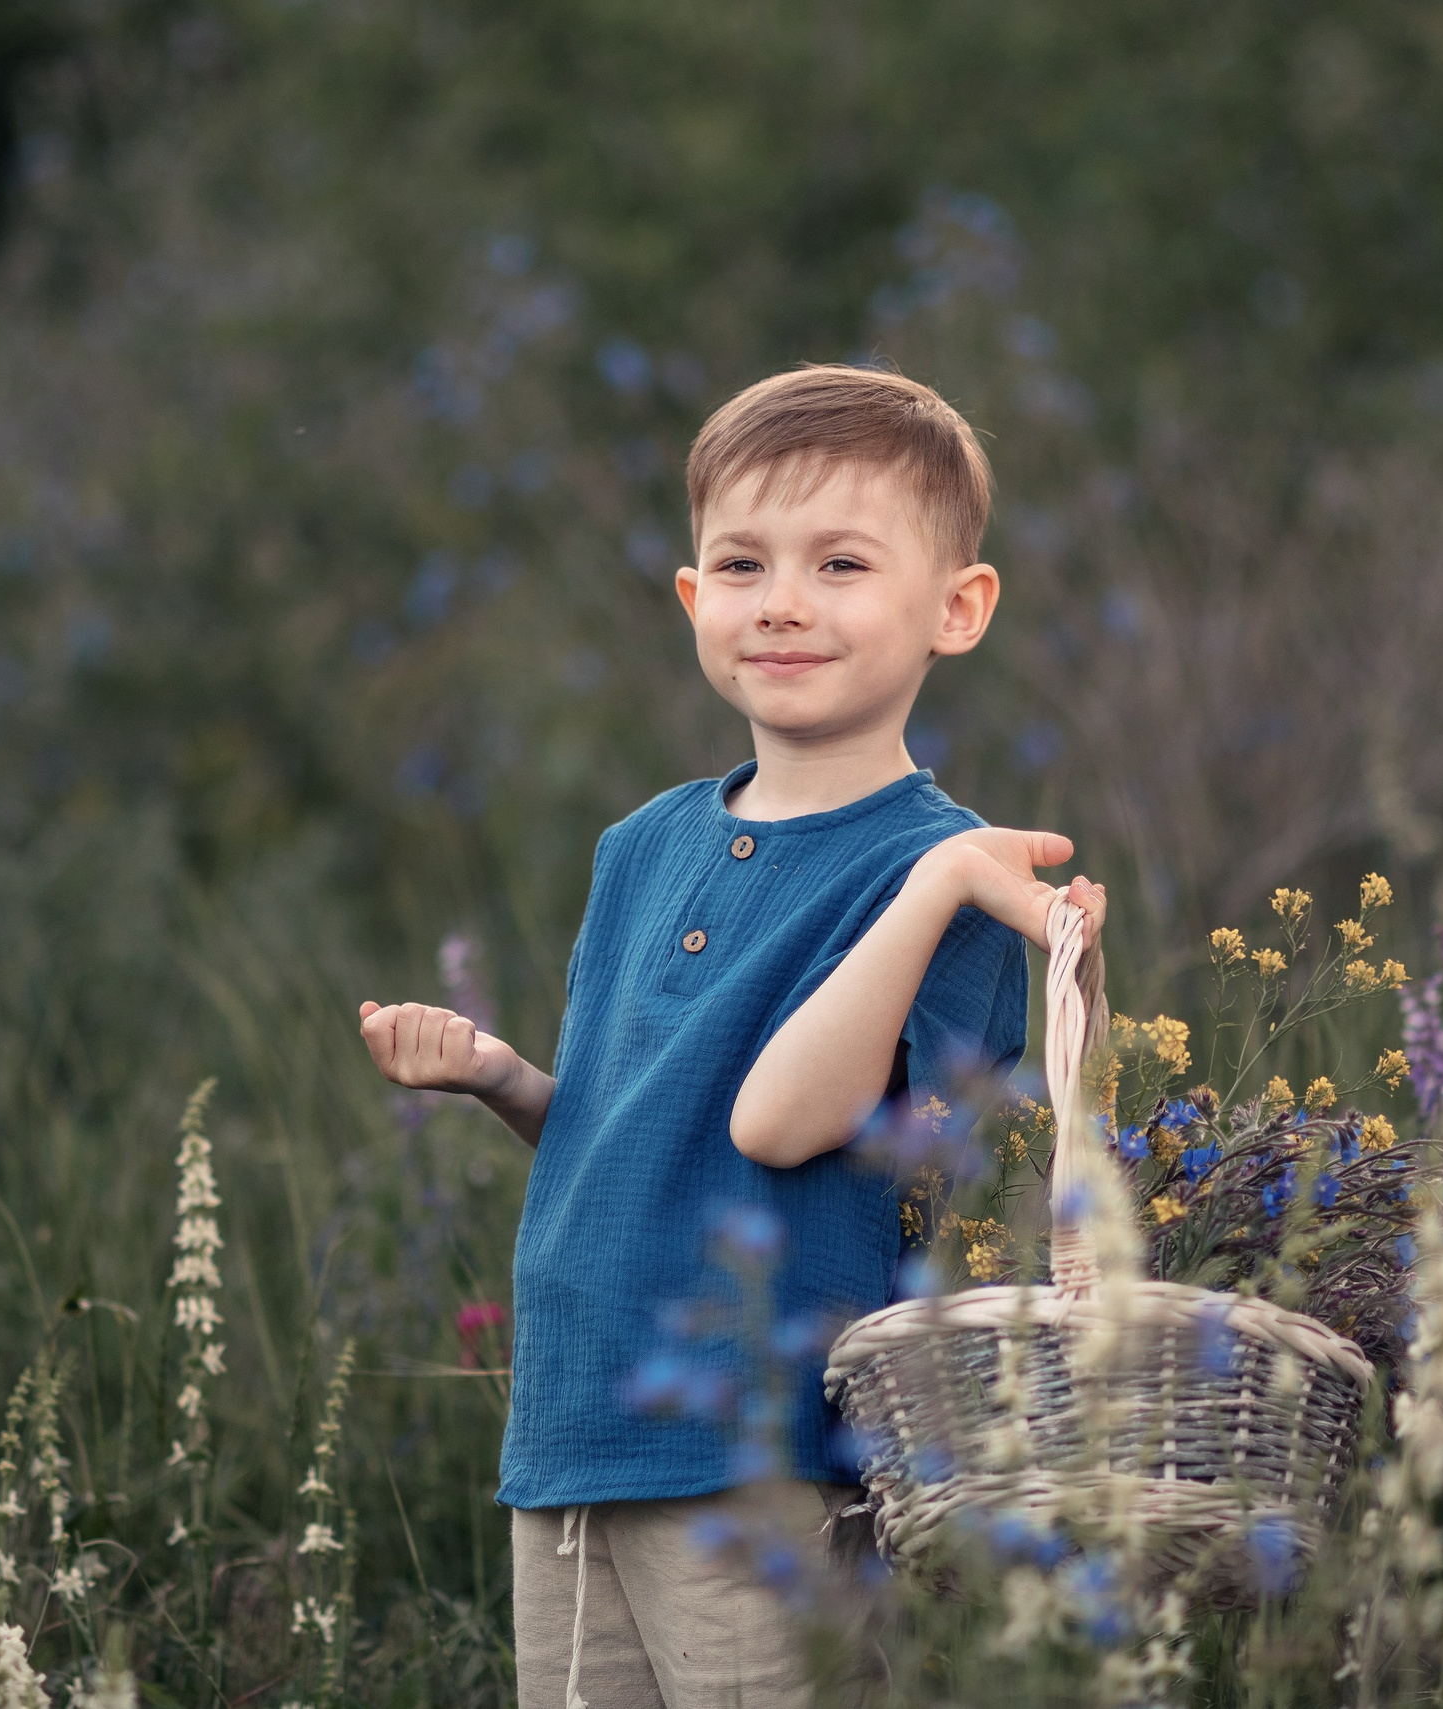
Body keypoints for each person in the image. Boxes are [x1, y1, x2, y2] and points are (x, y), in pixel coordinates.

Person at [358, 363, 1106, 1708]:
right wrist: (505, 1079)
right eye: (743, 564)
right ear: (693, 597)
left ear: (958, 607)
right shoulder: (642, 847)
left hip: (765, 1450)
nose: (783, 602)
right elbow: (637, 1137)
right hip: (577, 1425)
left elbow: (781, 1124)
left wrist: (935, 883)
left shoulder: (956, 881)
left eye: (841, 563)